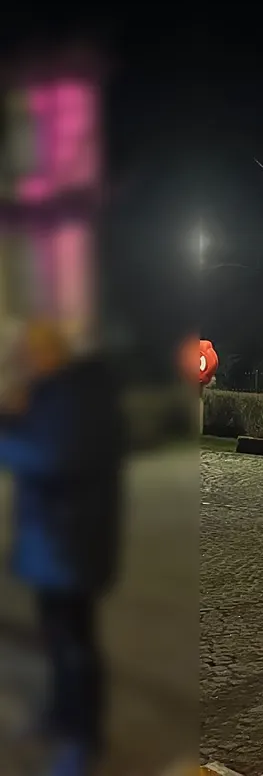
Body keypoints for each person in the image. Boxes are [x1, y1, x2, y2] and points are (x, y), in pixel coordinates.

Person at [0, 322, 123, 776]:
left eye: (29, 353)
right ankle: (59, 718)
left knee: (75, 647)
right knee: (57, 641)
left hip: (72, 543)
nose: (24, 361)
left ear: (51, 353)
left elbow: (51, 459)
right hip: (49, 542)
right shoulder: (50, 391)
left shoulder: (79, 397)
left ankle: (83, 737)